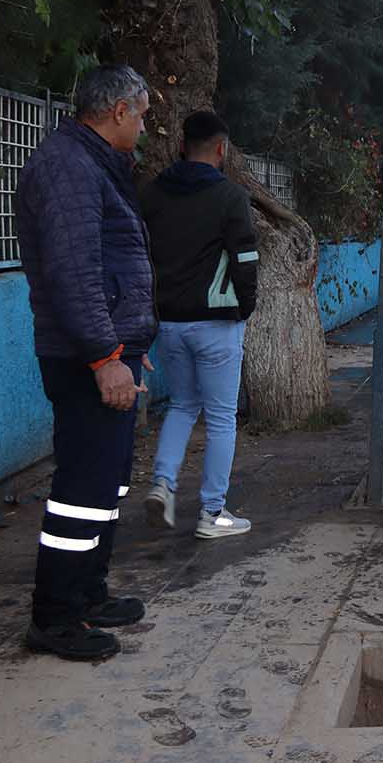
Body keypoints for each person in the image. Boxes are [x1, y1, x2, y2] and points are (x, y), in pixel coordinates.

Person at [15, 65, 157, 661]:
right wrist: (105, 357)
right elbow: (74, 275)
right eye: (143, 115)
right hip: (85, 359)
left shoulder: (92, 164)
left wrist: (126, 350)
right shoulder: (68, 167)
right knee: (81, 489)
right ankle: (56, 616)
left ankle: (88, 593)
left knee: (107, 483)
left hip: (110, 352)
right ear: (119, 111)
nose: (146, 128)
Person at [140, 111, 258, 540]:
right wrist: (246, 307)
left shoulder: (152, 195)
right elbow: (245, 259)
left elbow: (140, 257)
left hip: (170, 322)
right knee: (222, 417)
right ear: (222, 149)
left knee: (182, 406)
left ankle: (162, 485)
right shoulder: (230, 197)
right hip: (217, 323)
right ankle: (212, 513)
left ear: (181, 144)